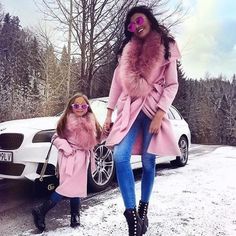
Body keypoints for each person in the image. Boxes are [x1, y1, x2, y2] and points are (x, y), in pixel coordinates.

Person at [103, 5, 181, 236]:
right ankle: (131, 216)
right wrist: (108, 113)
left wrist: (159, 114)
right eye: (131, 24)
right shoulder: (126, 51)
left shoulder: (166, 45)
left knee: (149, 163)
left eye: (139, 20)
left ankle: (143, 210)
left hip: (152, 109)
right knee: (120, 155)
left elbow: (172, 84)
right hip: (129, 109)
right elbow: (116, 84)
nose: (136, 26)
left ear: (148, 19)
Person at [32, 93, 101, 232]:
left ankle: (75, 215)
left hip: (82, 159)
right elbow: (55, 137)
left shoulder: (91, 121)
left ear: (88, 107)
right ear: (71, 106)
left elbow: (97, 139)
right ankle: (41, 210)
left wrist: (107, 131)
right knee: (66, 188)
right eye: (76, 105)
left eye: (83, 105)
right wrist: (66, 148)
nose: (80, 108)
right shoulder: (66, 121)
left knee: (77, 187)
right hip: (69, 159)